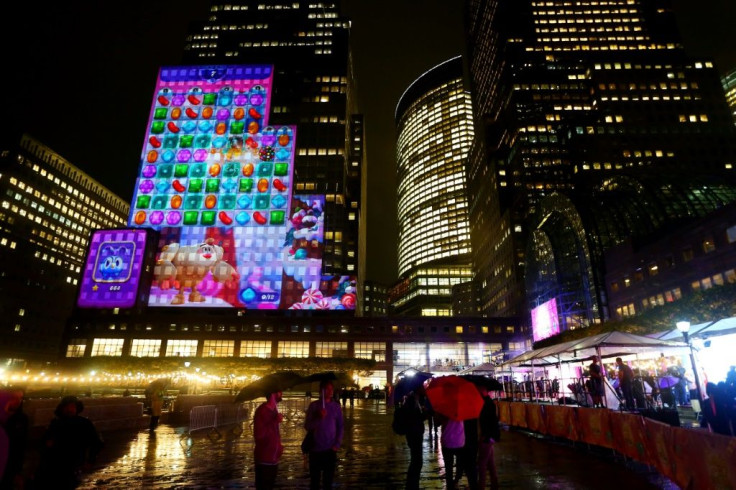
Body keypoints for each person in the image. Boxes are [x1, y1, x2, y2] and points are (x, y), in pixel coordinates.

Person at [36, 396, 104, 489]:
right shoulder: (56, 423)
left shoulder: (84, 424)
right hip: (54, 467)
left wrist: (90, 461)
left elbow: (97, 443)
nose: (70, 409)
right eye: (67, 407)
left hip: (74, 466)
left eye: (72, 406)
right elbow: (45, 444)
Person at [304, 380, 343, 490]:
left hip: (330, 449)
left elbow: (340, 426)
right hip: (315, 450)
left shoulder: (336, 407)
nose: (330, 391)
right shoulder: (314, 406)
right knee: (315, 481)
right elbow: (307, 426)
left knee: (328, 481)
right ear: (321, 391)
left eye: (331, 389)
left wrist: (337, 444)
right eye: (327, 389)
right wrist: (318, 417)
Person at [253, 391, 284, 490]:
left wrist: (279, 447)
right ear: (272, 394)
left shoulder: (274, 410)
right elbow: (259, 435)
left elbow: (275, 433)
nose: (281, 393)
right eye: (279, 391)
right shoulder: (262, 411)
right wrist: (275, 421)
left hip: (273, 459)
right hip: (264, 459)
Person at [0, 387, 28, 489]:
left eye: (20, 398)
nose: (18, 401)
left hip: (11, 464)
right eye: (13, 398)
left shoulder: (22, 418)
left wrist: (18, 471)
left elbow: (21, 445)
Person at [402, 389, 426, 490]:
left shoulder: (412, 400)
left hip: (413, 433)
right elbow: (415, 418)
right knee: (417, 460)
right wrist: (424, 414)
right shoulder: (412, 401)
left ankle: (412, 483)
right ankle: (412, 483)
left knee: (416, 460)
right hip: (414, 433)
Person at [477, 385, 500, 490]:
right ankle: (494, 483)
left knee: (482, 463)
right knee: (490, 462)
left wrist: (485, 435)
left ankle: (481, 486)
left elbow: (488, 421)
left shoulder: (486, 403)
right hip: (490, 435)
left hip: (487, 436)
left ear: (483, 389)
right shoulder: (488, 402)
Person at [438, 414, 464, 489]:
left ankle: (450, 484)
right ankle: (456, 480)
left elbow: (437, 422)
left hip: (447, 441)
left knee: (448, 467)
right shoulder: (462, 409)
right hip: (459, 440)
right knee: (460, 464)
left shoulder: (444, 410)